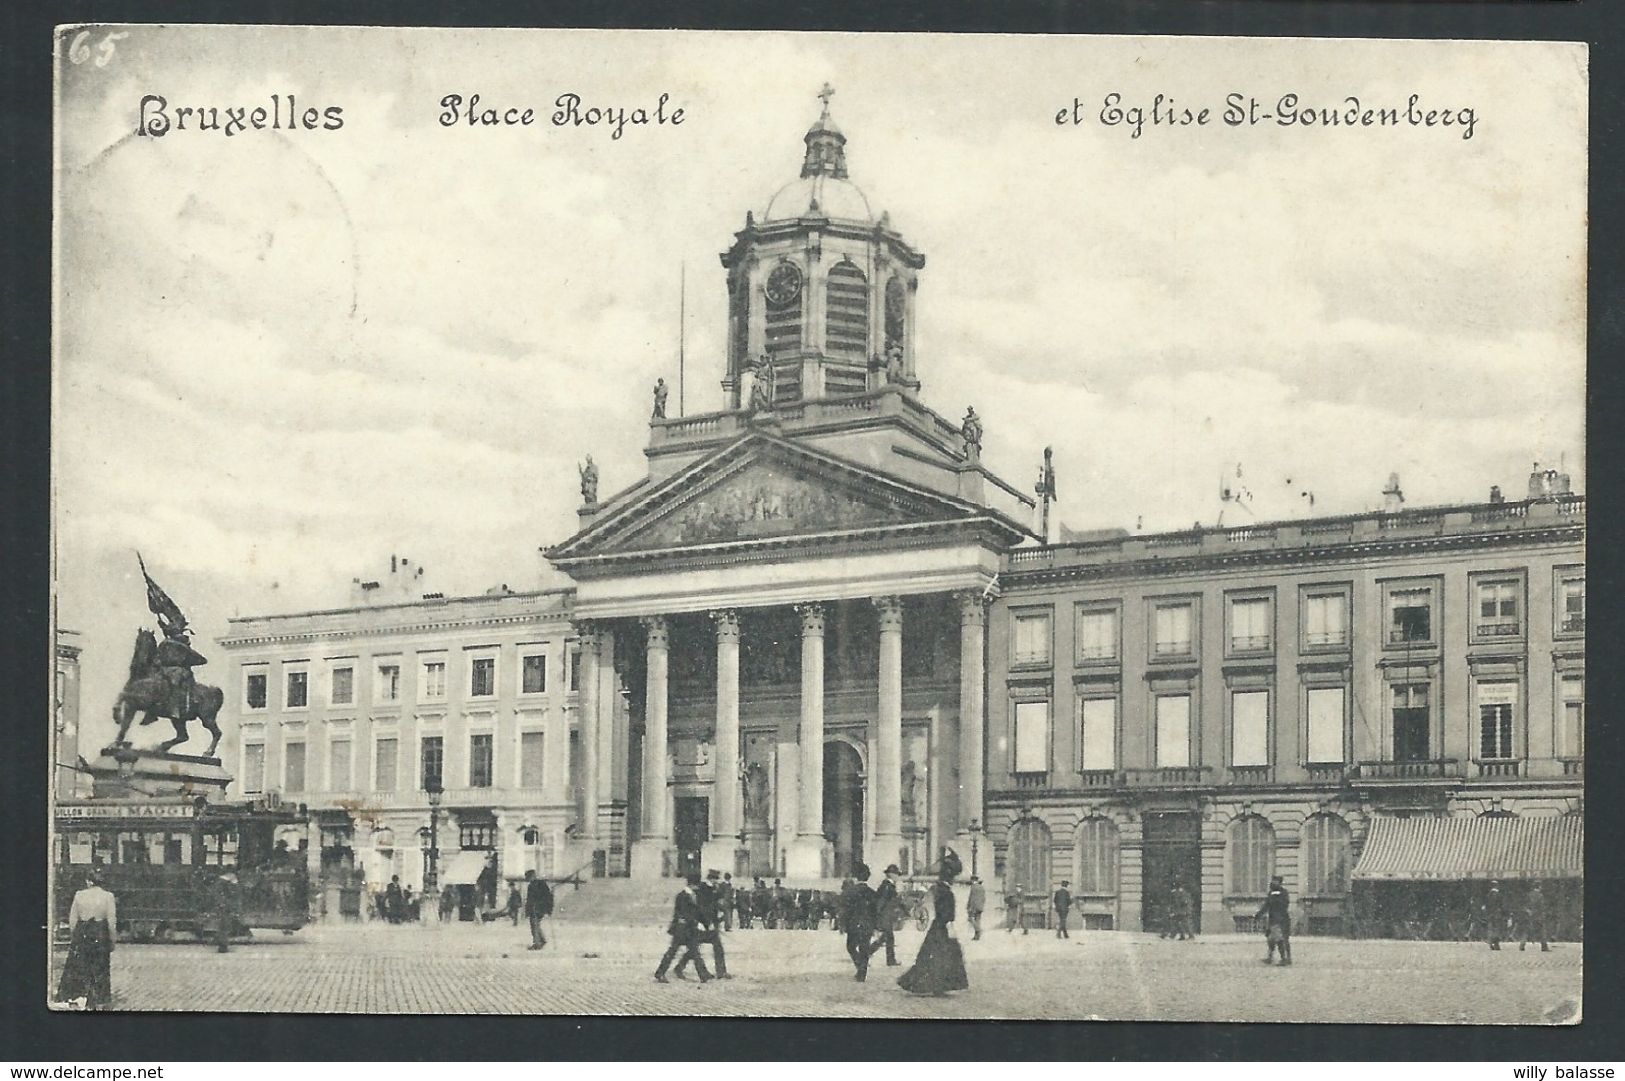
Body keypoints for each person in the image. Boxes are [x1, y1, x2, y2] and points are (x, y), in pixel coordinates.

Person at [898, 848, 969, 997]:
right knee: (944, 957)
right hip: (943, 926)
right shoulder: (946, 892)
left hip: (938, 926)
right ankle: (939, 986)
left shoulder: (940, 889)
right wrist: (951, 930)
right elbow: (947, 914)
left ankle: (937, 985)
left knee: (935, 956)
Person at [56, 870, 116, 1009]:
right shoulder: (108, 896)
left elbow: (72, 920)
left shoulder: (79, 895)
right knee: (100, 966)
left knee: (79, 966)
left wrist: (75, 937)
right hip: (100, 933)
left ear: (89, 881)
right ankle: (99, 999)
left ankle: (77, 995)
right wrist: (112, 940)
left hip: (82, 932)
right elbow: (111, 922)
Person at [654, 875, 712, 984]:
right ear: (692, 885)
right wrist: (696, 922)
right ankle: (660, 973)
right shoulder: (681, 896)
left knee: (695, 952)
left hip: (689, 929)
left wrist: (708, 923)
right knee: (673, 952)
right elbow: (684, 913)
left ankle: (703, 975)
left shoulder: (693, 895)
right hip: (681, 929)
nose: (698, 888)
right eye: (697, 885)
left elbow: (699, 912)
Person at [678, 870, 732, 979]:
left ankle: (721, 972)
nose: (716, 881)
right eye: (715, 879)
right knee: (694, 948)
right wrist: (706, 922)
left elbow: (718, 902)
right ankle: (679, 967)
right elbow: (700, 907)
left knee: (717, 946)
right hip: (702, 923)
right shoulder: (702, 888)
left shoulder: (715, 888)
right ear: (711, 878)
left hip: (711, 922)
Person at [842, 862, 878, 981]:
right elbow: (875, 910)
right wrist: (875, 925)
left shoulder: (850, 892)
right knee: (865, 948)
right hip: (867, 924)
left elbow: (846, 910)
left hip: (853, 924)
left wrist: (843, 924)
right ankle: (862, 972)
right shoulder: (872, 893)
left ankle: (860, 967)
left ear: (856, 876)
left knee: (851, 947)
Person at [870, 864, 903, 966]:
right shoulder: (887, 886)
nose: (898, 877)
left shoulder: (887, 885)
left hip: (887, 915)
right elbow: (881, 901)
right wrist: (878, 915)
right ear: (891, 875)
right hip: (885, 916)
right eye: (896, 874)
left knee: (886, 937)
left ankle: (888, 959)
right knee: (887, 937)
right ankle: (889, 959)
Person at [1256, 875, 1292, 966]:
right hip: (1273, 920)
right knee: (1271, 940)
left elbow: (1285, 904)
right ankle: (1270, 957)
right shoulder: (1271, 893)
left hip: (1282, 920)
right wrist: (1259, 915)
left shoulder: (1284, 893)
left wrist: (1276, 898)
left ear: (1279, 883)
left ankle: (1285, 958)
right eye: (1273, 881)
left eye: (1275, 881)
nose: (1273, 883)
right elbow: (1266, 905)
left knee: (1282, 940)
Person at [524, 869, 553, 950]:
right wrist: (527, 911)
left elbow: (548, 897)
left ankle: (537, 943)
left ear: (533, 876)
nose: (529, 879)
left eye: (529, 877)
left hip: (540, 908)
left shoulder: (541, 884)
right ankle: (541, 940)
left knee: (534, 925)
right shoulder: (531, 886)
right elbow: (529, 899)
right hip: (534, 909)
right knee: (535, 925)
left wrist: (548, 909)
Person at [211, 870, 239, 953]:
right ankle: (223, 945)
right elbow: (233, 893)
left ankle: (220, 942)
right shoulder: (229, 882)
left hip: (222, 906)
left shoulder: (220, 882)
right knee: (224, 925)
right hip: (225, 906)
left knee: (223, 925)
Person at [1521, 882, 1551, 952]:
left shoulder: (1529, 895)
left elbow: (1525, 905)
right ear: (1539, 887)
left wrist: (1528, 911)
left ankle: (1522, 945)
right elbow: (1542, 907)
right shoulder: (1540, 896)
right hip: (1538, 916)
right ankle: (1544, 946)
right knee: (1542, 931)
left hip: (1530, 916)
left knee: (1527, 931)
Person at [1484, 880, 1507, 951]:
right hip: (1497, 914)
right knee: (1497, 929)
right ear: (1497, 886)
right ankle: (1496, 944)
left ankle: (1491, 943)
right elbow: (1502, 906)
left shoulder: (1488, 895)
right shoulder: (1499, 895)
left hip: (1490, 915)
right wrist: (1504, 914)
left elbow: (1486, 906)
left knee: (1490, 929)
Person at [966, 876, 986, 940]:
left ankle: (978, 930)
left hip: (974, 906)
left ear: (973, 880)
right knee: (978, 920)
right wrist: (982, 905)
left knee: (970, 919)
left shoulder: (973, 887)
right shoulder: (982, 887)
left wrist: (969, 906)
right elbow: (984, 898)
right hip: (980, 906)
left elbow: (972, 898)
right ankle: (977, 936)